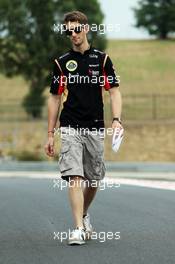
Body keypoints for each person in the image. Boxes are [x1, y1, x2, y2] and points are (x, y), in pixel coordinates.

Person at [45, 11, 123, 245]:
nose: (73, 34)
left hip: (96, 127)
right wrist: (50, 134)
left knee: (93, 179)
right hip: (70, 126)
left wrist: (116, 119)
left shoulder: (102, 60)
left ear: (86, 29)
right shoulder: (61, 62)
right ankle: (78, 228)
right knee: (74, 176)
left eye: (77, 29)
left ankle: (85, 214)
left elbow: (114, 92)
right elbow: (55, 98)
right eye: (69, 31)